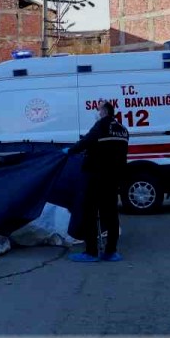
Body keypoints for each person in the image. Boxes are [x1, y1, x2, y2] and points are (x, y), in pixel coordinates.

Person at [66, 102, 129, 262]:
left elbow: (85, 142)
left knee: (90, 213)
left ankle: (91, 252)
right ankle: (111, 251)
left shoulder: (100, 126)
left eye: (99, 109)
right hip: (113, 178)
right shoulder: (123, 130)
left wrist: (70, 151)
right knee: (111, 214)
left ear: (105, 111)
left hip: (96, 176)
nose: (97, 112)